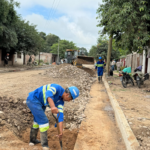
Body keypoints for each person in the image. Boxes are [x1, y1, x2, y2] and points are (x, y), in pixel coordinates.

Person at [26, 84, 79, 150]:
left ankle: (32, 140)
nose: (68, 101)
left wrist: (60, 132)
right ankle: (45, 146)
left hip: (40, 103)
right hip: (33, 100)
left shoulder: (61, 102)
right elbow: (48, 93)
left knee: (37, 121)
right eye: (70, 99)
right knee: (44, 122)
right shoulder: (57, 88)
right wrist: (53, 106)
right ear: (67, 95)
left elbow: (60, 115)